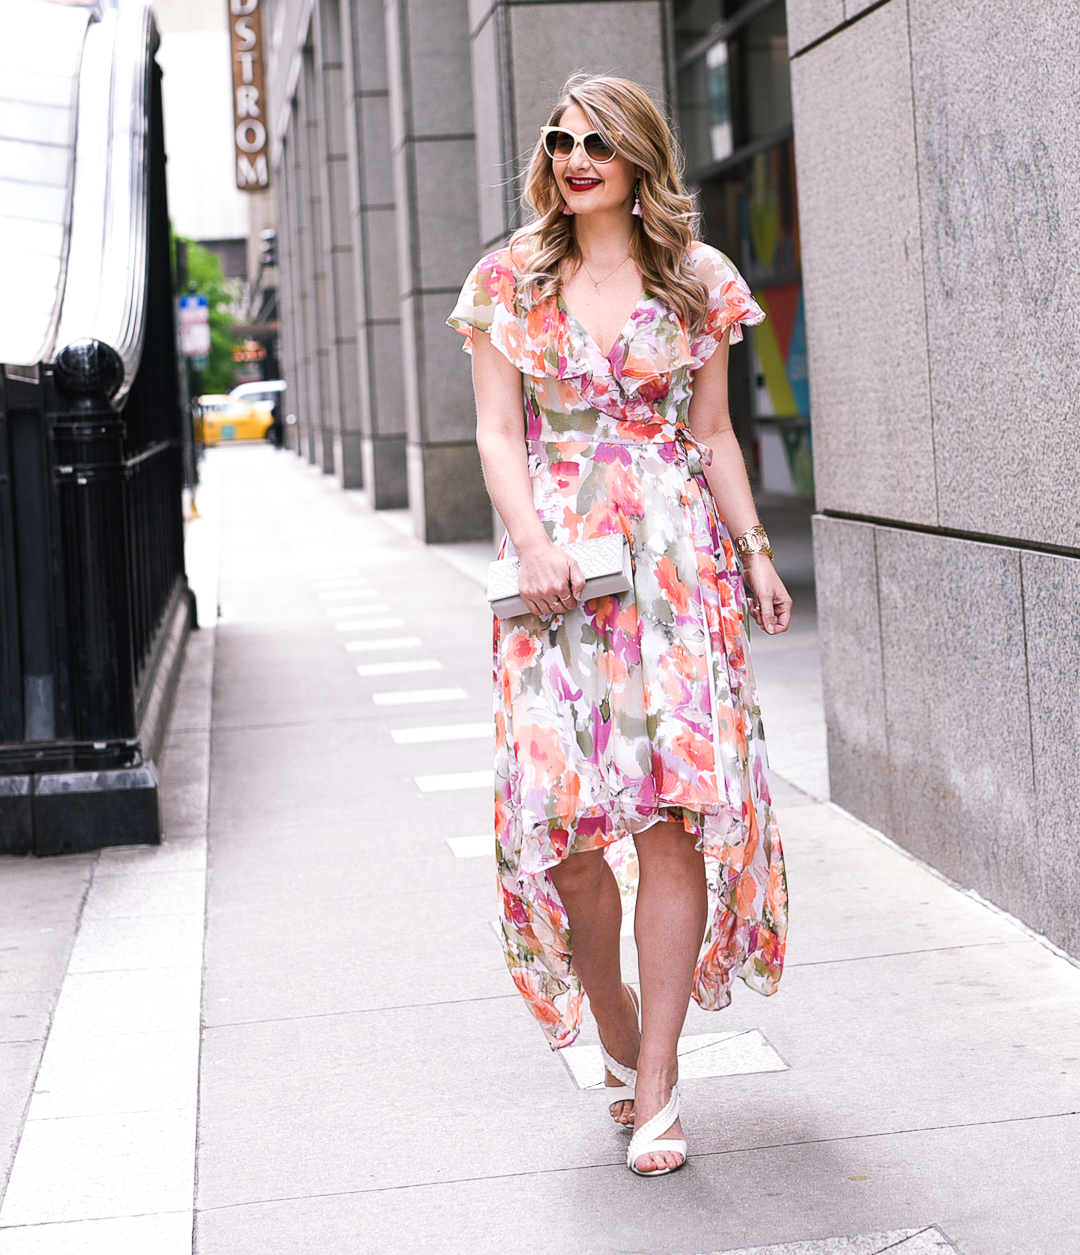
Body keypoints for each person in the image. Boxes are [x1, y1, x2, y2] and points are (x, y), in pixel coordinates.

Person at [447, 73, 790, 1178]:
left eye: (598, 140)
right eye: (560, 140)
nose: (576, 155)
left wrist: (757, 551)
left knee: (670, 825)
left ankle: (657, 1085)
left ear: (639, 153)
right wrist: (532, 540)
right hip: (559, 581)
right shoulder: (509, 278)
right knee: (565, 839)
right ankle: (615, 1021)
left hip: (680, 577)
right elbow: (501, 434)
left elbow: (716, 434)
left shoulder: (698, 282)